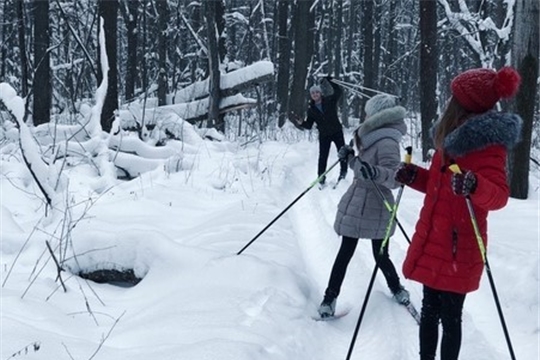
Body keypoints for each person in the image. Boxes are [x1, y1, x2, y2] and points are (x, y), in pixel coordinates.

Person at [394, 67, 522, 360]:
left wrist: (474, 184)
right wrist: (413, 175)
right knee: (428, 311)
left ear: (466, 104)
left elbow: (499, 196)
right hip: (434, 238)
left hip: (458, 247)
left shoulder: (488, 145)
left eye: (455, 97)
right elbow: (439, 186)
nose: (449, 101)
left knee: (450, 318)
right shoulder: (448, 139)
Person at [318, 93, 410, 318]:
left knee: (380, 255)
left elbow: (394, 179)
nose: (365, 116)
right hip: (358, 198)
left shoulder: (387, 141)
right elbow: (362, 168)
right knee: (345, 252)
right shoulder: (370, 137)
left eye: (369, 113)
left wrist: (375, 172)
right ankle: (329, 299)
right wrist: (349, 158)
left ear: (378, 115)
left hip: (377, 205)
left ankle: (396, 288)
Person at [296, 76, 347, 185]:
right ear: (311, 96)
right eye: (313, 93)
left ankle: (343, 172)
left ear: (320, 93)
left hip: (336, 131)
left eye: (317, 93)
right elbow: (309, 125)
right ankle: (321, 177)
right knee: (323, 157)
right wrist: (302, 123)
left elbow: (338, 92)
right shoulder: (311, 110)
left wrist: (330, 81)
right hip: (324, 135)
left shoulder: (329, 100)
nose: (315, 95)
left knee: (342, 153)